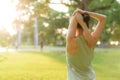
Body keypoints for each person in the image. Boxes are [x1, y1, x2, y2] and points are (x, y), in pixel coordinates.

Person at [66, 8, 106, 80]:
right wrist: (84, 12)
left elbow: (75, 17)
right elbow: (103, 18)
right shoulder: (92, 41)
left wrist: (77, 19)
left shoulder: (71, 40)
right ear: (88, 25)